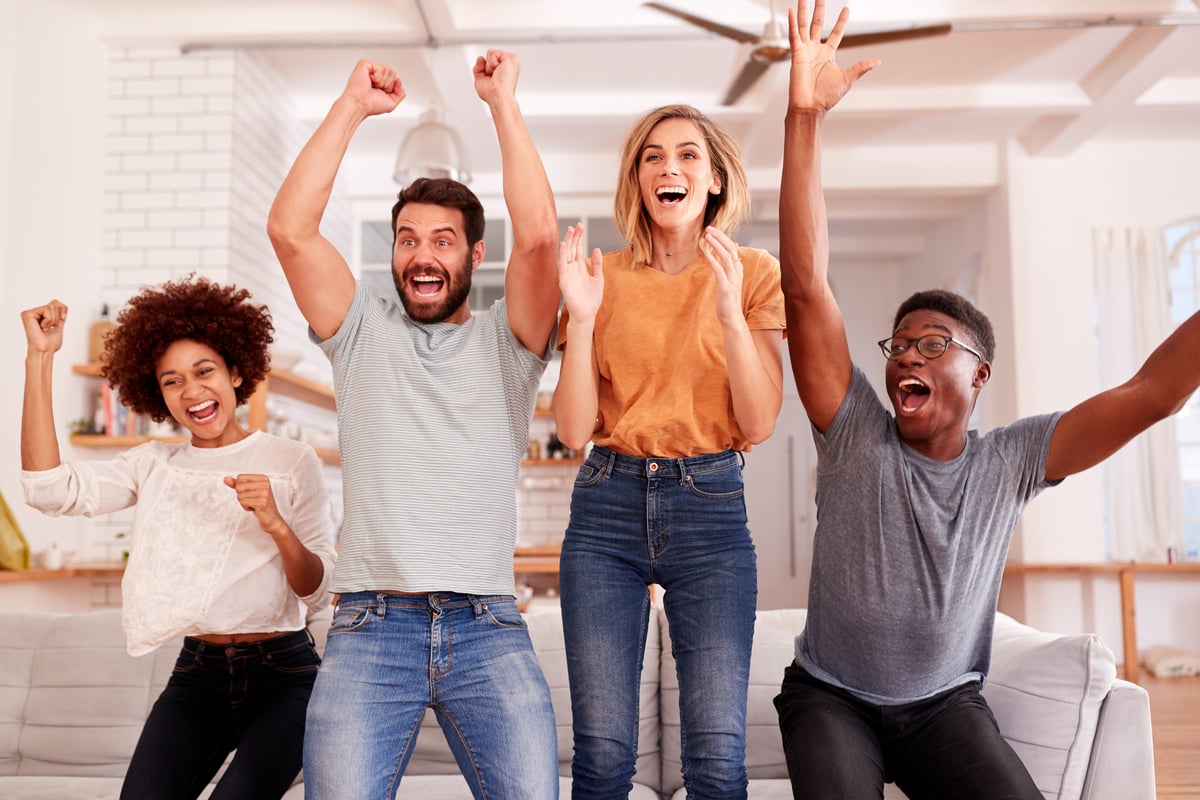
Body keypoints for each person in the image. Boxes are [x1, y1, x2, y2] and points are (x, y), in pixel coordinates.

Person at [772, 1, 1200, 798]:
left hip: (944, 709)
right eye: (900, 342)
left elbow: (1154, 393)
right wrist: (802, 117)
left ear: (979, 376)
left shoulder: (1012, 461)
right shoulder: (856, 431)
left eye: (934, 344)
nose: (909, 352)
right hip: (831, 701)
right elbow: (805, 287)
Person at [266, 50, 561, 799]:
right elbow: (290, 231)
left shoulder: (511, 343)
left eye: (441, 240)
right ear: (392, 251)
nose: (421, 255)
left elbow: (540, 242)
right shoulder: (359, 331)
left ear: (472, 254)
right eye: (407, 238)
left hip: (488, 627)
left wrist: (501, 105)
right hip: (371, 630)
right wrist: (352, 106)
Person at [19, 276, 336, 800]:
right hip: (198, 675)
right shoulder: (154, 464)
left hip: (286, 677)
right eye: (171, 381)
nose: (191, 391)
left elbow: (318, 591)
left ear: (236, 372)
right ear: (157, 395)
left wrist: (277, 525)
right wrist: (39, 359)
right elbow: (49, 491)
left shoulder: (291, 460)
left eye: (204, 371)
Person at [553, 101, 786, 797]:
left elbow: (761, 420)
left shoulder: (752, 272)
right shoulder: (602, 278)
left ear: (714, 179)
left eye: (687, 155)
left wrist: (726, 313)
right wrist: (585, 319)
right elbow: (571, 430)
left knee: (715, 758)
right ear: (637, 179)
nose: (669, 168)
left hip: (710, 508)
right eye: (652, 156)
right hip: (607, 506)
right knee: (601, 755)